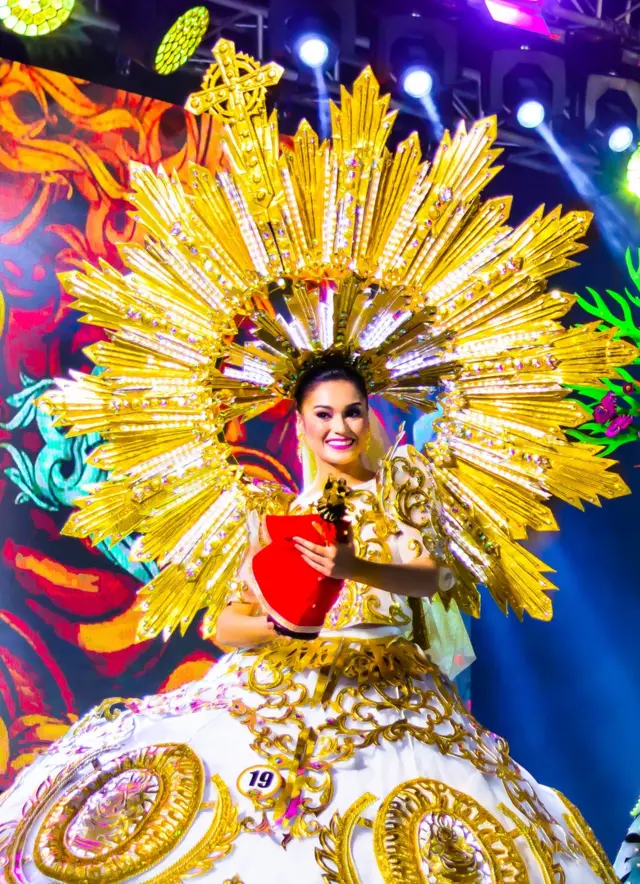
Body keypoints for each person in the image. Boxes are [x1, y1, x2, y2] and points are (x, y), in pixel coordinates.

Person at [0, 38, 628, 884]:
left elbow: (430, 579)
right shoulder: (271, 510)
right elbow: (224, 624)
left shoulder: (402, 484)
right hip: (276, 698)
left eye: (352, 412)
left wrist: (353, 563)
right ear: (298, 423)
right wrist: (286, 626)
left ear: (372, 416)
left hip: (395, 709)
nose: (339, 427)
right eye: (323, 414)